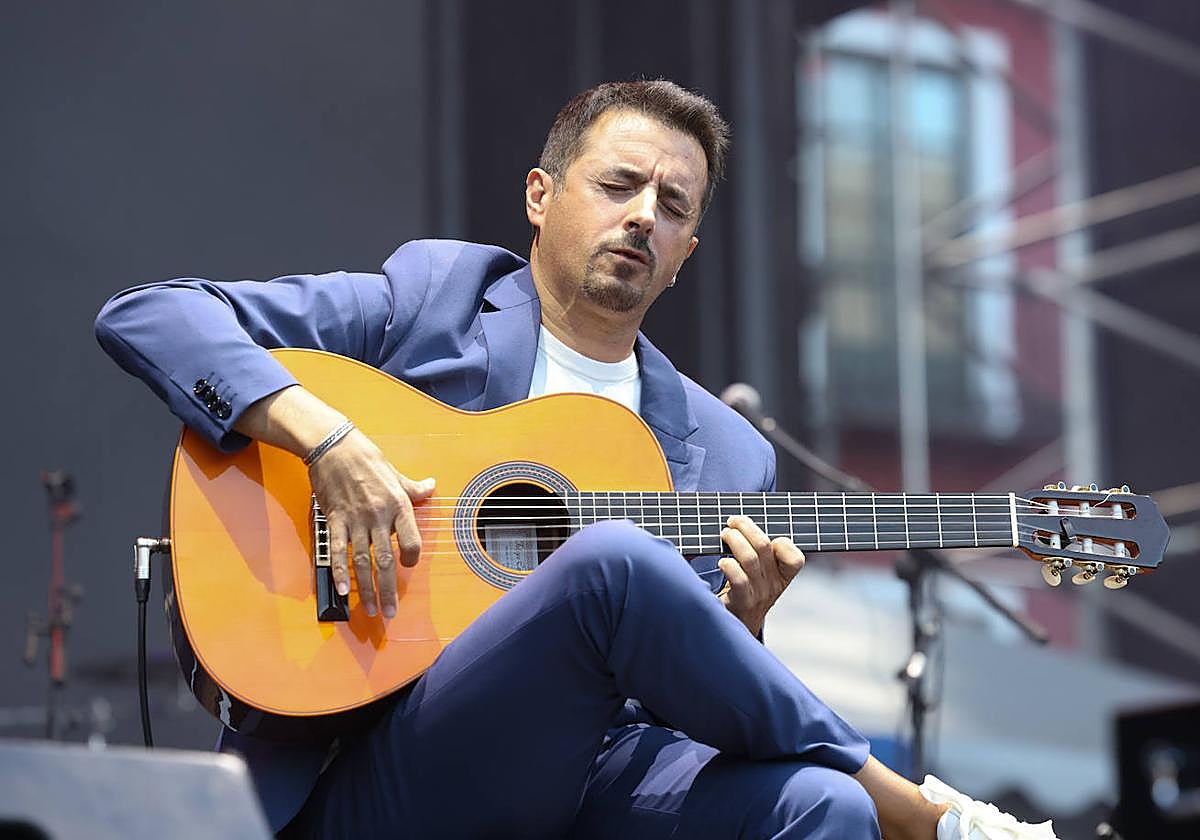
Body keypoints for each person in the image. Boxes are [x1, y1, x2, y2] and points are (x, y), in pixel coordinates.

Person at [96, 80, 1054, 839]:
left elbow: (671, 719)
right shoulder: (436, 297)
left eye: (672, 206)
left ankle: (868, 798)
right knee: (610, 561)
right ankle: (915, 809)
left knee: (820, 811)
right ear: (540, 196)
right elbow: (152, 315)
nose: (644, 216)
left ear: (685, 253)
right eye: (618, 185)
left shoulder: (726, 452)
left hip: (594, 784)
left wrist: (740, 630)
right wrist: (328, 440)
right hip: (372, 765)